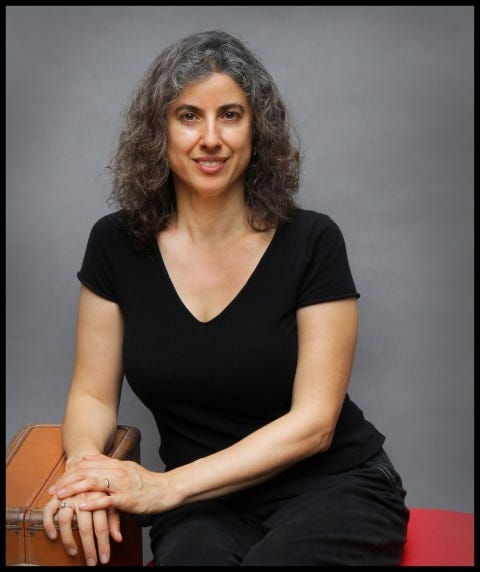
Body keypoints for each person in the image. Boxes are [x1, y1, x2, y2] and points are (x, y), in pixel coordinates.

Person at [42, 29, 409, 566]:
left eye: (230, 115)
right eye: (188, 115)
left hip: (333, 487)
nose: (210, 138)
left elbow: (315, 424)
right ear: (158, 131)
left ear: (257, 130)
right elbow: (93, 398)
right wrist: (86, 474)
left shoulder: (313, 241)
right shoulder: (115, 244)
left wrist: (164, 489)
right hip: (204, 507)